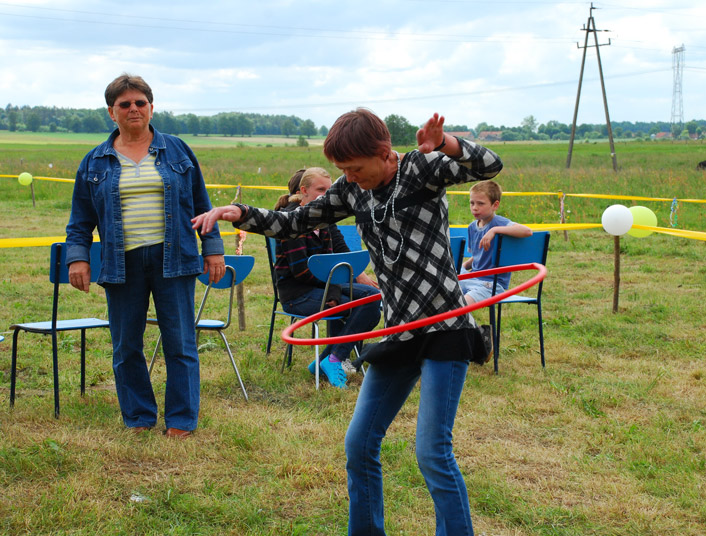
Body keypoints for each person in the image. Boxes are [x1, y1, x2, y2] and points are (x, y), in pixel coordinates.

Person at [193, 108, 501, 534]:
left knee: (432, 451)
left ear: (383, 152)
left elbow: (489, 165)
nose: (350, 177)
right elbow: (295, 222)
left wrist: (445, 143)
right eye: (343, 171)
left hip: (445, 327)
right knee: (359, 444)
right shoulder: (352, 191)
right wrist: (240, 213)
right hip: (400, 330)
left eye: (355, 168)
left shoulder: (419, 168)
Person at [65, 73, 225, 439]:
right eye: (125, 104)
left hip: (176, 259)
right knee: (125, 346)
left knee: (181, 343)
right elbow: (80, 221)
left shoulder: (178, 151)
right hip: (122, 263)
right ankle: (138, 417)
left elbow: (203, 206)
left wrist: (212, 250)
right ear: (112, 113)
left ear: (151, 108)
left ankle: (182, 421)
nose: (133, 109)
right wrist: (79, 258)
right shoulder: (94, 162)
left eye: (140, 102)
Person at [272, 167, 381, 388]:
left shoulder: (324, 221)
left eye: (329, 190)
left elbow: (336, 256)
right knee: (355, 305)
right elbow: (301, 271)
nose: (326, 195)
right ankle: (335, 359)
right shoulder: (292, 223)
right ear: (303, 191)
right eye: (321, 190)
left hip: (323, 286)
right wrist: (334, 288)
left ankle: (327, 360)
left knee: (372, 297)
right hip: (297, 294)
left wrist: (351, 279)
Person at [459, 180, 533, 305]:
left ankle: (466, 324)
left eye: (480, 204)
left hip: (492, 285)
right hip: (473, 278)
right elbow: (478, 256)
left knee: (462, 305)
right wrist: (463, 267)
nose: (475, 208)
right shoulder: (472, 227)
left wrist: (495, 230)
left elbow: (527, 231)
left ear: (495, 205)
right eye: (472, 203)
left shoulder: (499, 223)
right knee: (444, 290)